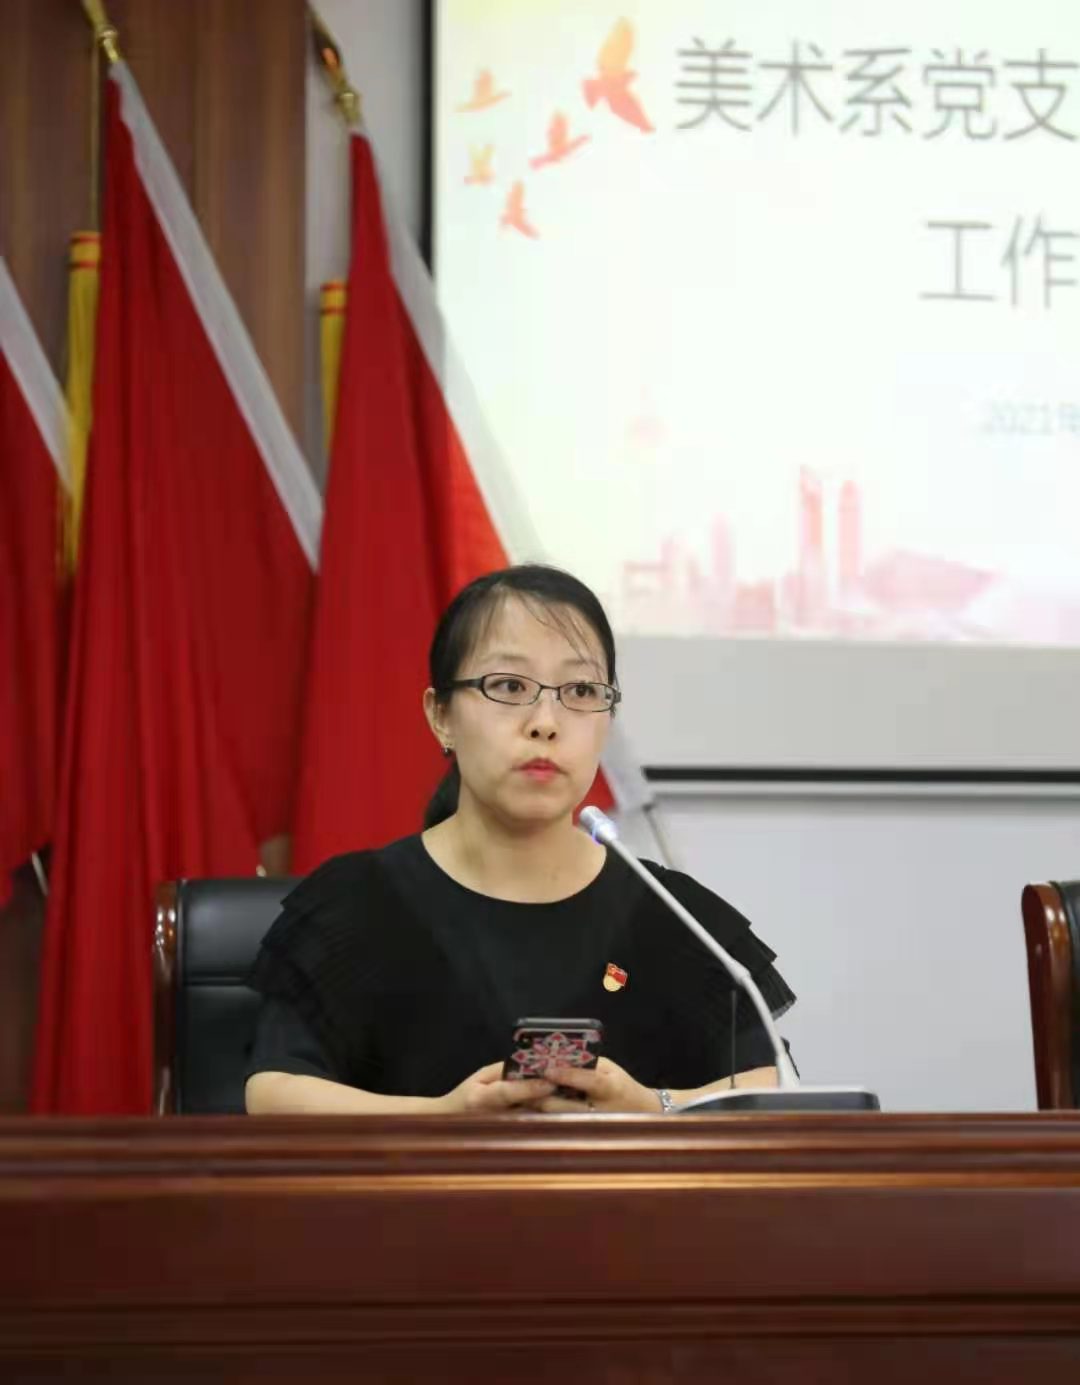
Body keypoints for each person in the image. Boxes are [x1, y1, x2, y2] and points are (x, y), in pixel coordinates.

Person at [244, 564, 794, 1116]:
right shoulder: (357, 903)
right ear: (441, 716)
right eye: (509, 686)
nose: (545, 722)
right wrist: (444, 1119)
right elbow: (273, 1093)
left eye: (581, 690)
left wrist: (654, 1108)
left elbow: (775, 1087)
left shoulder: (671, 914)